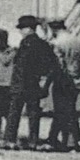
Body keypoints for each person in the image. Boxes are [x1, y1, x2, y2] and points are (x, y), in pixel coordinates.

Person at [6, 14, 57, 149]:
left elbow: (20, 66)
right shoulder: (43, 44)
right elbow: (52, 65)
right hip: (34, 84)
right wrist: (43, 82)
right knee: (34, 114)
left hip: (21, 84)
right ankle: (33, 141)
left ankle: (10, 140)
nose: (20, 31)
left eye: (22, 28)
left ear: (29, 29)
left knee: (14, 113)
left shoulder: (26, 43)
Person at [47, 19, 80, 152]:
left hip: (62, 80)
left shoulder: (56, 43)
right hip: (76, 79)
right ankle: (63, 139)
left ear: (54, 29)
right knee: (70, 109)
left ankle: (66, 141)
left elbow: (58, 64)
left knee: (61, 110)